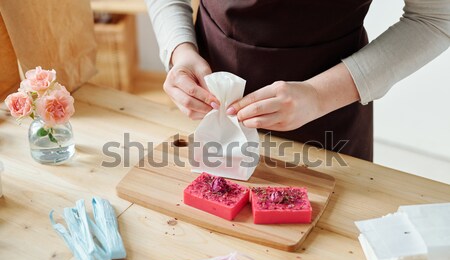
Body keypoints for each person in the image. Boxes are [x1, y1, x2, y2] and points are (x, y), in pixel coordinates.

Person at [145, 0, 450, 161]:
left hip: (329, 113)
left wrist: (318, 95)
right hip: (208, 103)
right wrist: (180, 50)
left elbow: (435, 18)